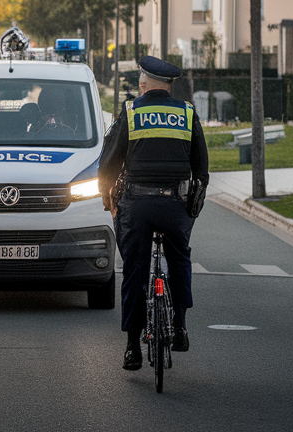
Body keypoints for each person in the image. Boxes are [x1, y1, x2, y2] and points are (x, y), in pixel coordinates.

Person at [97, 55, 209, 371]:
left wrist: (107, 199)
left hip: (138, 206)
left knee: (135, 270)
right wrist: (192, 205)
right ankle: (180, 327)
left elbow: (109, 163)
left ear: (144, 84)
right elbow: (201, 168)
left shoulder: (132, 112)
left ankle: (133, 347)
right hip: (175, 205)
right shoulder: (187, 113)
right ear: (169, 86)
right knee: (180, 259)